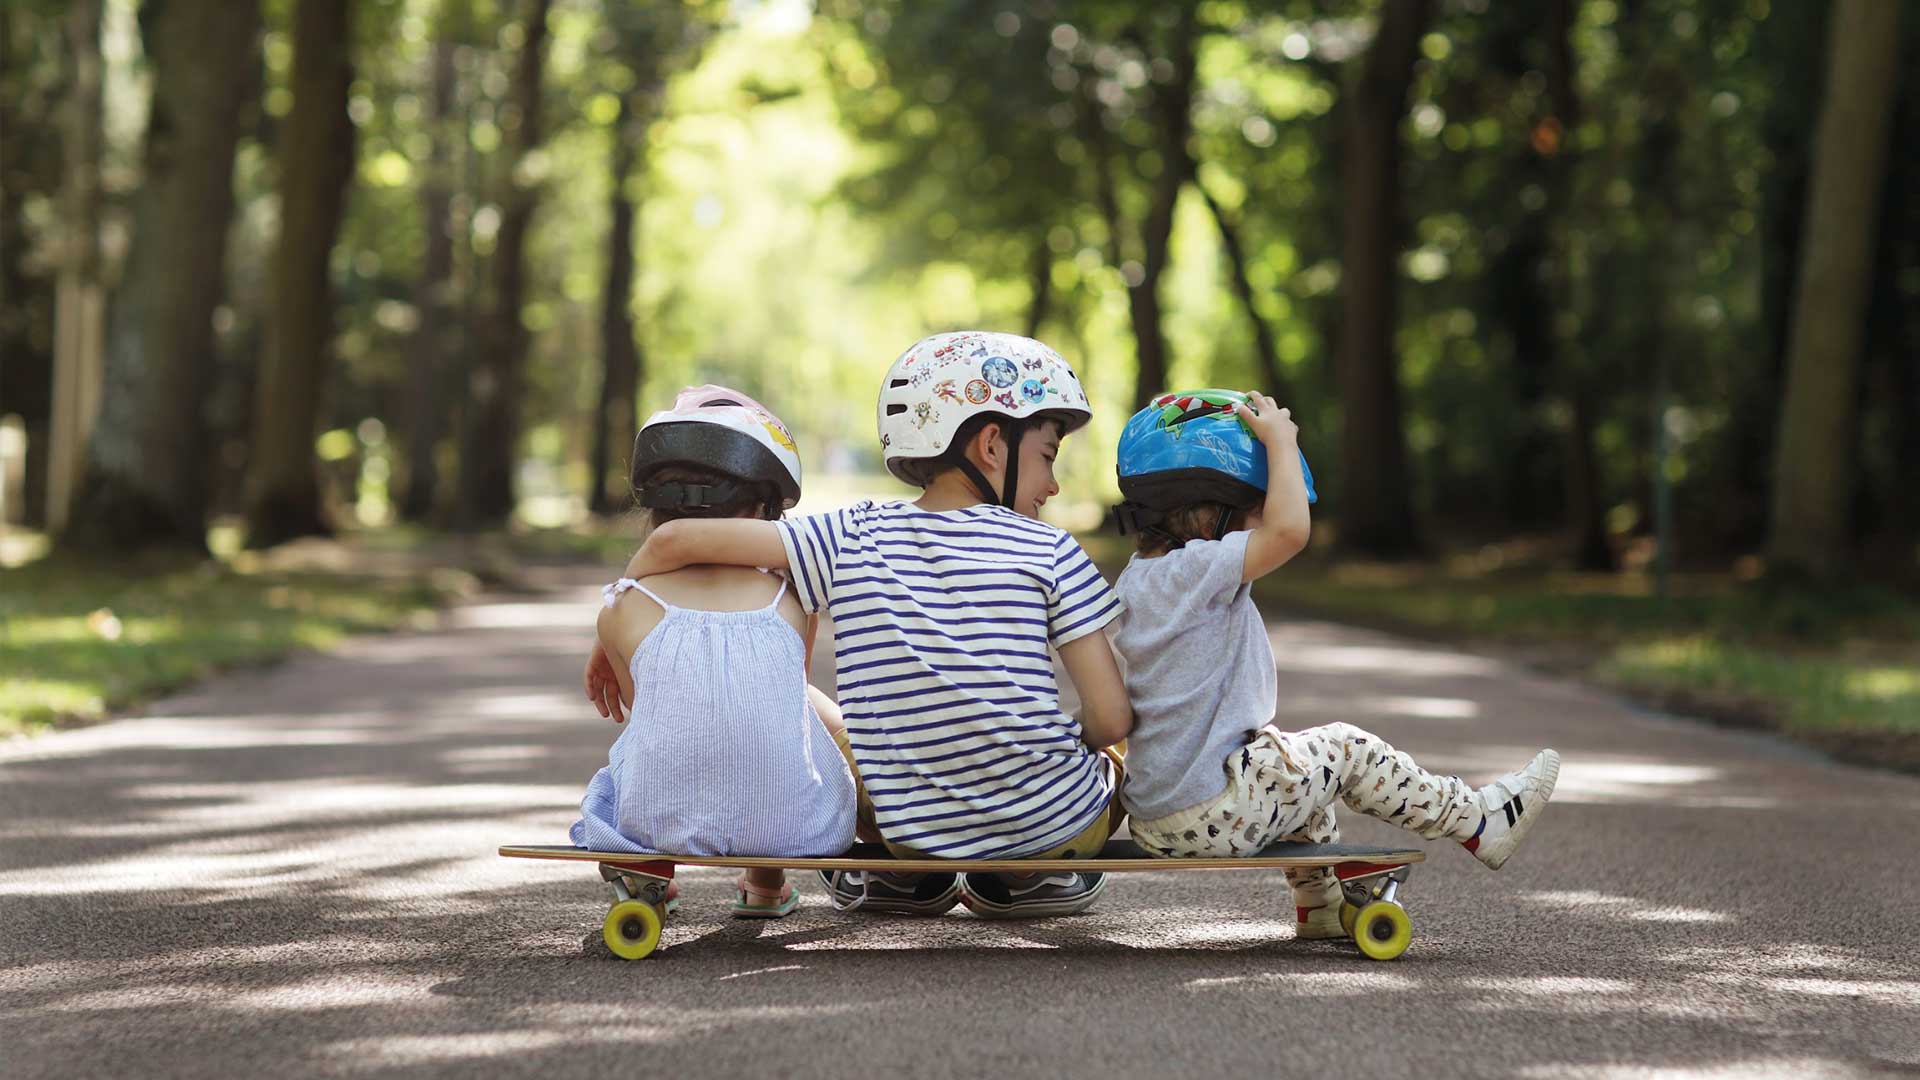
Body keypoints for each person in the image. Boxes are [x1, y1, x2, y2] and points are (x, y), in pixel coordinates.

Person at [610, 331, 1133, 918]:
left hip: (901, 827)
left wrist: (617, 620)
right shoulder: (1051, 549)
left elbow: (676, 539)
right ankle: (1029, 875)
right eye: (1048, 457)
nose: (1054, 484)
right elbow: (1111, 716)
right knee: (1114, 737)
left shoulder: (851, 533)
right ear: (992, 443)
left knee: (802, 698)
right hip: (1054, 825)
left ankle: (895, 874)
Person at [1107, 388, 1560, 938]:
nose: (1264, 523)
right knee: (1345, 749)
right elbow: (1292, 531)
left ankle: (1320, 906)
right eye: (1257, 508)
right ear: (1208, 514)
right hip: (1211, 810)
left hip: (1157, 816)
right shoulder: (1201, 566)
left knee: (1297, 777)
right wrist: (1280, 440)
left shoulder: (1135, 580)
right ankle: (1474, 819)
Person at [575, 385, 856, 919]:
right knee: (792, 727)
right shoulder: (793, 595)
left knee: (629, 767)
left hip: (658, 820)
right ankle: (766, 886)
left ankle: (642, 879)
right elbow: (782, 699)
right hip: (793, 824)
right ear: (765, 508)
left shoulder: (623, 609)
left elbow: (656, 716)